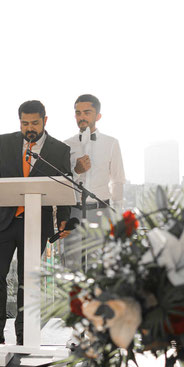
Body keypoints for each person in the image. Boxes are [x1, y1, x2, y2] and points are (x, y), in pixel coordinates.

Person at [0, 100, 72, 351]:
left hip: (36, 224)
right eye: (24, 123)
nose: (29, 128)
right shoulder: (5, 141)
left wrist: (64, 217)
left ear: (45, 120)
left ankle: (23, 334)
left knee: (26, 280)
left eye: (34, 123)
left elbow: (64, 185)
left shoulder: (59, 150)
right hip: (3, 222)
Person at [63, 94, 126, 269]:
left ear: (97, 116)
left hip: (102, 213)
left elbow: (117, 181)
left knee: (99, 268)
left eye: (87, 112)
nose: (81, 117)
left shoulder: (111, 143)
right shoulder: (66, 145)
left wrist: (117, 218)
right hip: (74, 212)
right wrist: (76, 171)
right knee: (72, 267)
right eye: (78, 112)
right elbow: (62, 181)